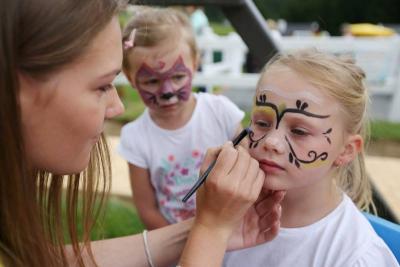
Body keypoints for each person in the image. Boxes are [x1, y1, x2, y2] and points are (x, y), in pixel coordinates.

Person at [0, 0, 284, 266]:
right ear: (14, 89)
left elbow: (39, 260)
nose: (117, 107)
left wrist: (204, 230)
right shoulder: (138, 136)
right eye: (102, 86)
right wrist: (210, 232)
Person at [223, 49, 399, 266]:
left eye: (299, 131)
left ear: (346, 150)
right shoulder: (229, 213)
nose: (271, 142)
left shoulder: (355, 257)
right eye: (262, 123)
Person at [118, 7, 245, 229]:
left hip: (232, 233)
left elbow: (248, 169)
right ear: (130, 78)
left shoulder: (221, 112)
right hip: (176, 246)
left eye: (177, 77)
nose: (167, 91)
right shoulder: (135, 137)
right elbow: (147, 211)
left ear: (195, 64)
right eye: (151, 81)